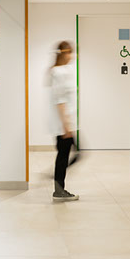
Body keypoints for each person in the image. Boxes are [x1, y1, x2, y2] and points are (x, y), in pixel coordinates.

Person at [49, 41, 79, 202]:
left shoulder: (64, 70)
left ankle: (57, 185)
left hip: (67, 123)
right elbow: (60, 100)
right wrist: (66, 126)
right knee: (66, 156)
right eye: (70, 52)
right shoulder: (58, 72)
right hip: (63, 125)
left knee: (68, 155)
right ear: (64, 53)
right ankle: (58, 188)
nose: (72, 56)